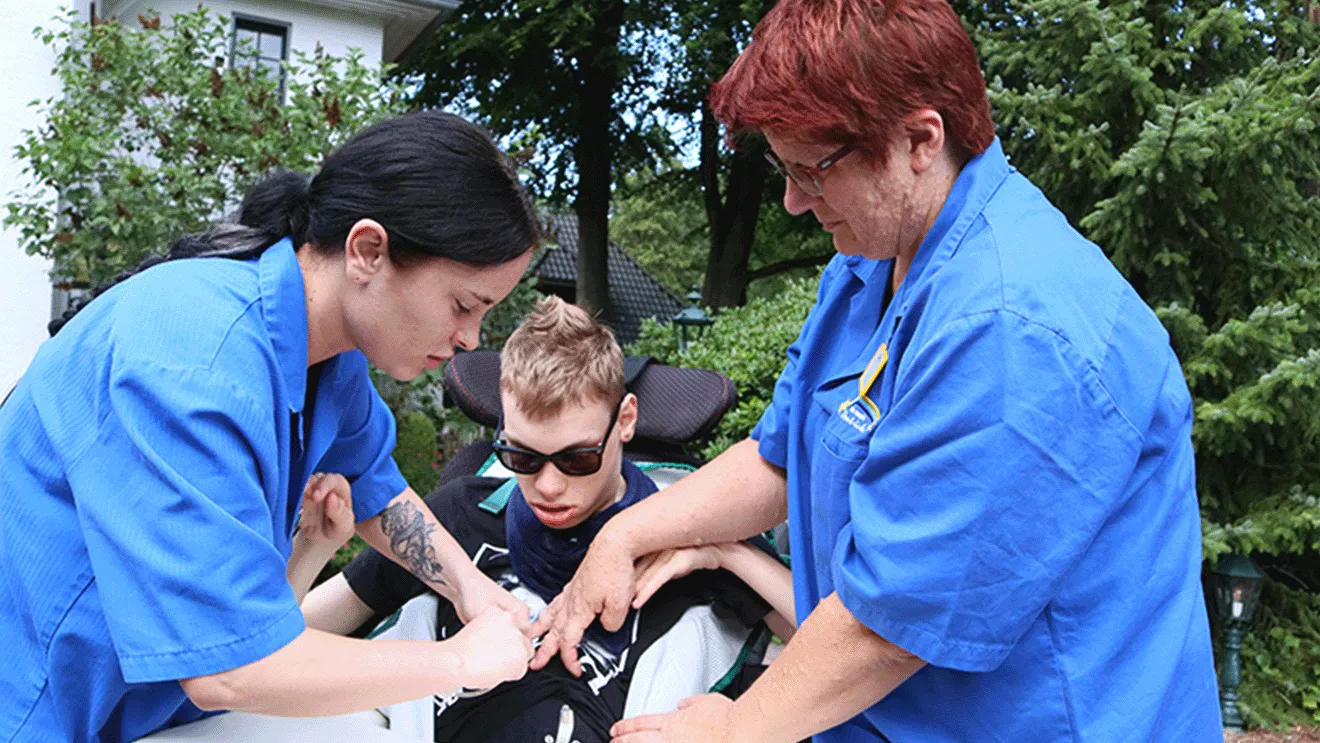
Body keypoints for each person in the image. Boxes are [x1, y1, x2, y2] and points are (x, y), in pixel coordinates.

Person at [533, 2, 1223, 742]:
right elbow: (780, 460)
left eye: (813, 171)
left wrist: (732, 732)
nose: (795, 202)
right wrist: (624, 534)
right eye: (783, 169)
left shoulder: (1012, 325)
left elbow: (890, 625)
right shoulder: (871, 260)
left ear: (920, 139)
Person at [0, 111, 540, 743]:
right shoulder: (193, 359)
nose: (470, 338)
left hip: (143, 708)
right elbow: (230, 665)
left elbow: (375, 489)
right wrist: (461, 661)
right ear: (368, 251)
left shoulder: (323, 357)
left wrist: (474, 591)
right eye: (463, 305)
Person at [299, 296, 797, 743]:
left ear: (625, 420)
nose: (550, 486)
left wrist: (727, 552)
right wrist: (313, 550)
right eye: (522, 457)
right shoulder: (459, 519)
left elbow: (837, 650)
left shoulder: (691, 534)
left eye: (577, 459)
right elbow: (287, 636)